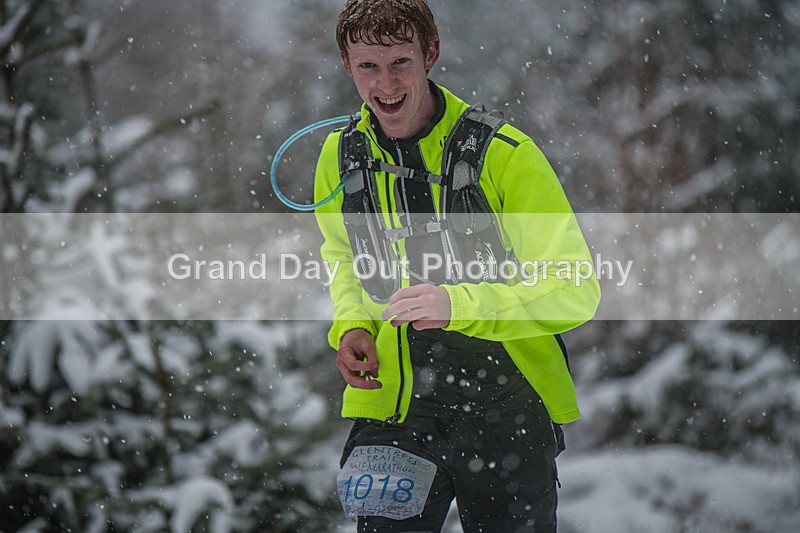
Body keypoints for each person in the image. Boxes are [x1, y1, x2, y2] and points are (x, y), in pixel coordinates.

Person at [314, 1, 600, 531]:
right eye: (368, 66)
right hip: (395, 409)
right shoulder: (340, 157)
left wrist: (459, 305)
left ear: (431, 54)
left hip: (507, 408)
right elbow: (343, 257)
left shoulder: (505, 154)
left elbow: (574, 287)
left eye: (400, 61)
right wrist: (352, 323)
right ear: (346, 65)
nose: (386, 84)